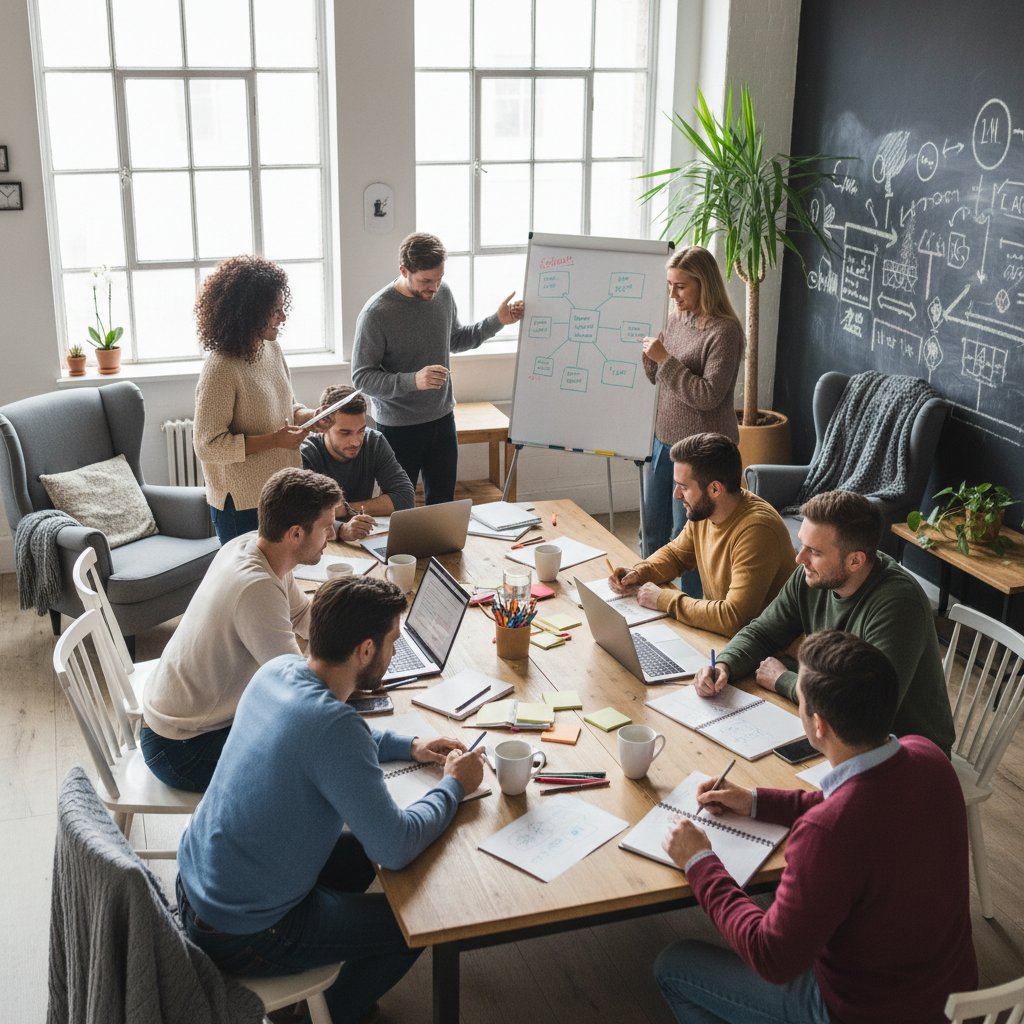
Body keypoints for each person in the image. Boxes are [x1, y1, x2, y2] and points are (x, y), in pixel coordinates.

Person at [176, 574, 485, 1024]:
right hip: (243, 933)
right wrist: (454, 785)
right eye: (392, 642)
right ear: (364, 651)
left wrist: (410, 745)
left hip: (200, 889)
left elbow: (332, 737)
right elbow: (395, 847)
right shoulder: (334, 728)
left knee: (363, 851)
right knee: (417, 926)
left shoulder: (276, 673)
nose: (394, 652)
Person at [655, 630, 977, 1024]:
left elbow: (770, 957)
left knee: (672, 966)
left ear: (819, 725)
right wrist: (755, 800)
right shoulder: (927, 757)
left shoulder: (827, 833)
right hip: (948, 998)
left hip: (860, 1011)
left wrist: (700, 861)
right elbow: (856, 803)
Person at [694, 490, 955, 755]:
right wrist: (724, 664)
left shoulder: (899, 604)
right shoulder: (811, 577)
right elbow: (762, 633)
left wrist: (786, 681)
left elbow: (868, 710)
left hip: (905, 750)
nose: (800, 559)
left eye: (814, 552)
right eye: (802, 545)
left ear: (855, 560)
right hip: (839, 730)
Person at [141, 468, 341, 792]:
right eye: (326, 528)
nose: (331, 536)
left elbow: (303, 613)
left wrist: (352, 636)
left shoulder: (252, 546)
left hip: (177, 719)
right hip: (181, 749)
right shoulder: (257, 588)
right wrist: (355, 671)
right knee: (310, 764)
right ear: (295, 534)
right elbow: (298, 690)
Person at [351, 232, 525, 505]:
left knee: (443, 505)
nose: (434, 288)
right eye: (426, 281)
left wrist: (497, 321)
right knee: (399, 505)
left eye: (439, 278)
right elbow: (361, 378)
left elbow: (455, 339)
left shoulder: (442, 295)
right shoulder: (377, 313)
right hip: (398, 428)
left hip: (442, 420)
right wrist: (413, 381)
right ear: (404, 271)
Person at [193, 255, 327, 544]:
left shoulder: (271, 349)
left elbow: (286, 407)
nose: (283, 316)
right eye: (275, 310)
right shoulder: (221, 366)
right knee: (249, 583)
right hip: (240, 503)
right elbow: (207, 445)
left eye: (282, 308)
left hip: (279, 492)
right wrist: (275, 441)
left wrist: (309, 416)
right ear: (249, 312)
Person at [607, 433, 793, 636]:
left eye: (684, 487)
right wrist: (639, 573)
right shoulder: (706, 512)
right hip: (727, 637)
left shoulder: (757, 531)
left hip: (766, 650)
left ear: (715, 489)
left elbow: (734, 617)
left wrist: (663, 599)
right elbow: (677, 555)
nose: (676, 494)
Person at [640, 246, 744, 581]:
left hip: (700, 455)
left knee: (689, 542)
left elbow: (708, 396)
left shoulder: (725, 332)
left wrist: (665, 360)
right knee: (650, 530)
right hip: (663, 441)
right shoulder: (677, 319)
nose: (672, 294)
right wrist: (651, 357)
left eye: (680, 286)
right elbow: (659, 378)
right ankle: (645, 592)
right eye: (670, 285)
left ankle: (695, 614)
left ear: (705, 284)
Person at [301, 384, 415, 543]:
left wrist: (346, 509)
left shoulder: (374, 441)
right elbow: (302, 516)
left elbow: (405, 498)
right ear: (323, 426)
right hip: (319, 542)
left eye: (361, 430)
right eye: (345, 432)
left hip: (364, 535)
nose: (356, 442)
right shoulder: (307, 453)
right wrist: (341, 529)